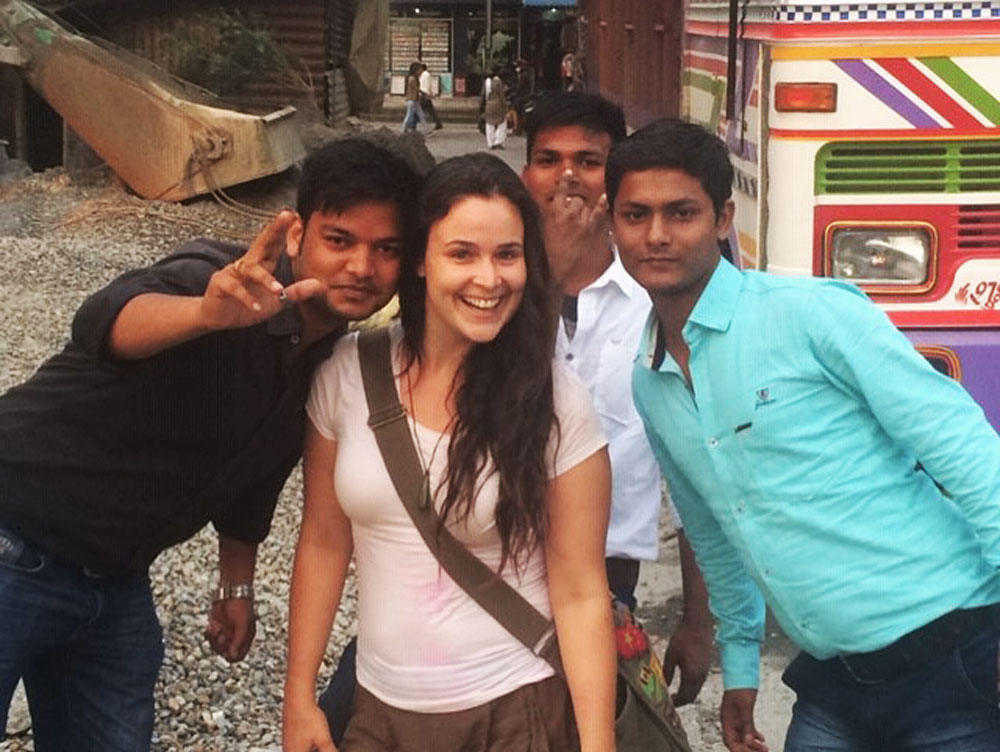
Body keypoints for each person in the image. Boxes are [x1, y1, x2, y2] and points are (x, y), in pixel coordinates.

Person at [0, 137, 419, 751]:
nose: (361, 266)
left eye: (386, 249)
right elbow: (103, 320)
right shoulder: (221, 281)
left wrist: (235, 585)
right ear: (298, 234)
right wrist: (202, 315)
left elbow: (258, 472)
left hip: (114, 580)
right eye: (340, 240)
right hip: (14, 540)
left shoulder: (330, 357)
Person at [607, 118, 1000, 752]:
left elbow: (964, 447)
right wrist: (740, 668)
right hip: (831, 685)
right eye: (635, 215)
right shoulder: (650, 382)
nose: (656, 235)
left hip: (954, 658)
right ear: (613, 224)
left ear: (723, 218)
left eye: (680, 212)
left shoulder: (810, 315)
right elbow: (714, 530)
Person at [283, 153, 616, 752]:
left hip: (515, 712)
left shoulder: (556, 401)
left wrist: (597, 746)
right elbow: (323, 541)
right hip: (380, 713)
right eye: (462, 253)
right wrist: (300, 695)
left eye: (506, 255)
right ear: (420, 259)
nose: (488, 279)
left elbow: (582, 588)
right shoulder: (346, 374)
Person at [521, 91, 714, 705]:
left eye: (588, 159)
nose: (568, 176)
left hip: (608, 580)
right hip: (487, 566)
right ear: (525, 175)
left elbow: (695, 475)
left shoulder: (658, 301)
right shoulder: (490, 288)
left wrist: (700, 619)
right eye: (548, 159)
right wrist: (546, 271)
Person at [482, 72, 508, 150]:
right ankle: (498, 141)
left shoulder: (486, 82)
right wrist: (505, 105)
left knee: (489, 124)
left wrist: (482, 106)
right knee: (502, 123)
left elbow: (483, 94)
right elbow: (501, 94)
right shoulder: (498, 82)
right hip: (498, 105)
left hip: (489, 105)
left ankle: (490, 143)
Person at [401, 62, 427, 134]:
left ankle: (427, 130)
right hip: (412, 100)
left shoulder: (414, 78)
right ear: (415, 70)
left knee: (421, 115)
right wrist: (423, 93)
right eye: (419, 70)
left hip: (415, 100)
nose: (421, 71)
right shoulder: (412, 78)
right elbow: (416, 89)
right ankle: (403, 129)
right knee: (409, 115)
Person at [417, 63, 443, 131]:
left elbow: (423, 86)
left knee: (419, 110)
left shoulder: (423, 76)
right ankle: (438, 123)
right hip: (426, 95)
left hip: (423, 95)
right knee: (430, 110)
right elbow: (429, 85)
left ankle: (418, 124)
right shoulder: (427, 75)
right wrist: (431, 93)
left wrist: (423, 93)